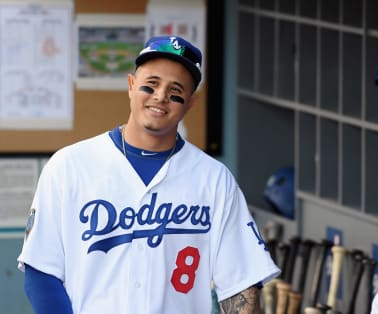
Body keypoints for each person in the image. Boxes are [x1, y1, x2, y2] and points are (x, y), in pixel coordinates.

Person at [17, 35, 280, 314]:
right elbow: (41, 271)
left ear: (190, 102)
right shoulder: (69, 166)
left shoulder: (214, 179)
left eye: (175, 89)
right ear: (131, 86)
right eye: (151, 84)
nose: (161, 96)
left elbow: (241, 282)